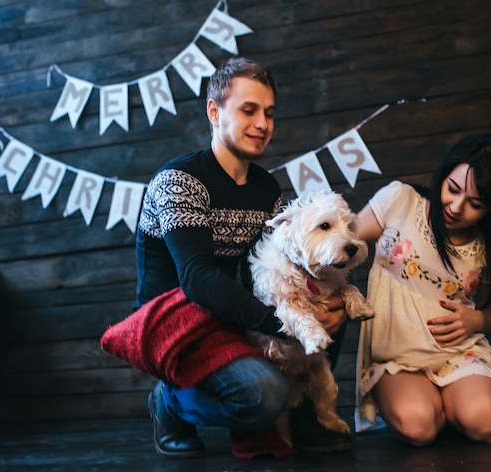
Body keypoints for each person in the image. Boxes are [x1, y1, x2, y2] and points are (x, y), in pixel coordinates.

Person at [134, 57, 351, 459]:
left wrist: (324, 305)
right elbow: (197, 279)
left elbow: (277, 266)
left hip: (230, 315)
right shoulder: (179, 181)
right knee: (266, 395)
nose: (263, 124)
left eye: (269, 113)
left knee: (328, 296)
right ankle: (171, 402)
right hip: (175, 322)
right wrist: (286, 323)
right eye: (248, 110)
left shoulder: (265, 187)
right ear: (214, 112)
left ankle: (303, 414)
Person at [355, 133, 491, 446]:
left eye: (475, 204)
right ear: (443, 174)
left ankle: (461, 402)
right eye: (452, 189)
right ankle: (440, 405)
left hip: (458, 354)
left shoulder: (487, 248)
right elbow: (342, 246)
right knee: (418, 427)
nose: (455, 206)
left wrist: (475, 321)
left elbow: (490, 312)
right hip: (398, 358)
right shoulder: (401, 201)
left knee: (483, 422)